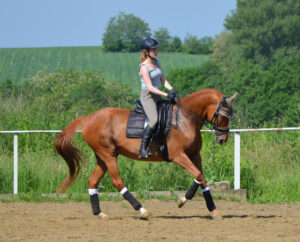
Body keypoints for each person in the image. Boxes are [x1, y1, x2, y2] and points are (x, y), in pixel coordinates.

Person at [138, 37, 177, 158]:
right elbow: (150, 87)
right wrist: (166, 94)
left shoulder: (157, 62)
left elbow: (163, 80)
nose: (156, 52)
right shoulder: (144, 67)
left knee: (171, 111)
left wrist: (171, 89)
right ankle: (143, 149)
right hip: (148, 96)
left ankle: (161, 141)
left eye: (156, 49)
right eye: (153, 50)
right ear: (147, 51)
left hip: (158, 95)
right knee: (154, 120)